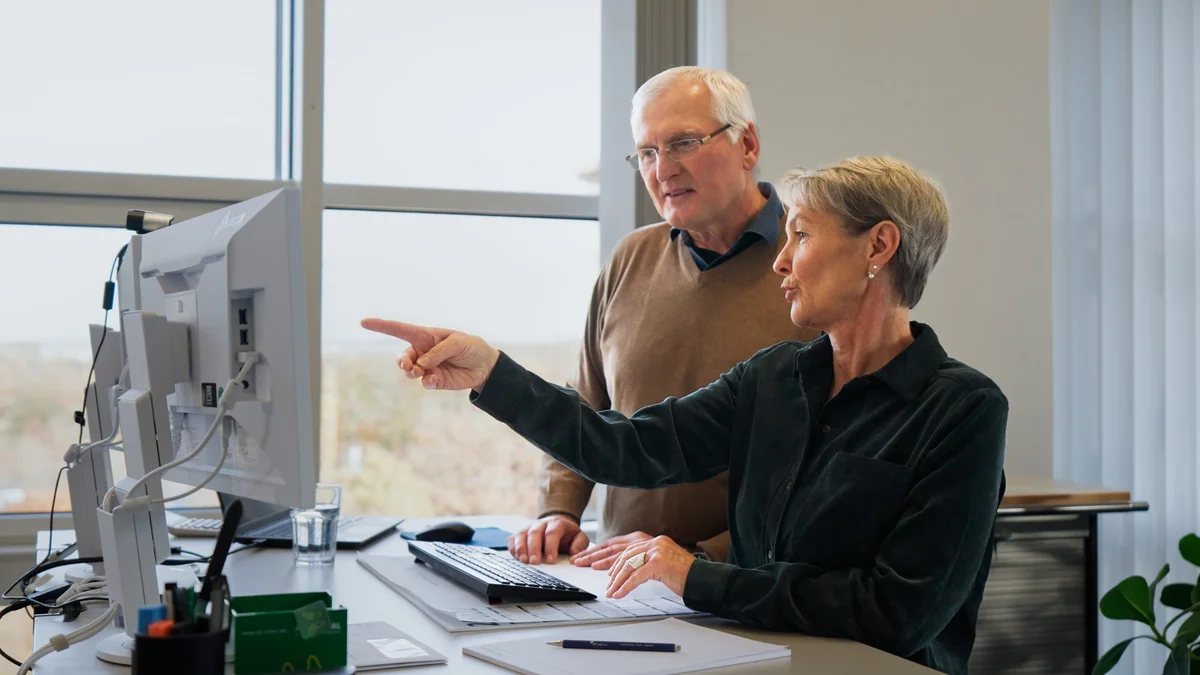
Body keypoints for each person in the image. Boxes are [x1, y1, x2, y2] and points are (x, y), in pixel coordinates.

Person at [362, 156, 1008, 675]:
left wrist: (697, 575)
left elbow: (897, 612)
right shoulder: (774, 375)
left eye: (802, 234)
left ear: (880, 246)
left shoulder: (963, 409)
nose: (780, 260)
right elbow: (626, 448)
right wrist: (492, 373)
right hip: (757, 654)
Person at [510, 66, 817, 571]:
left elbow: (830, 459)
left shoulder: (809, 260)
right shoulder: (630, 257)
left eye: (683, 143)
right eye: (647, 153)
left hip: (751, 584)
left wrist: (702, 558)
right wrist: (559, 511)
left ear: (748, 144)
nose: (663, 169)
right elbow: (586, 404)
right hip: (616, 584)